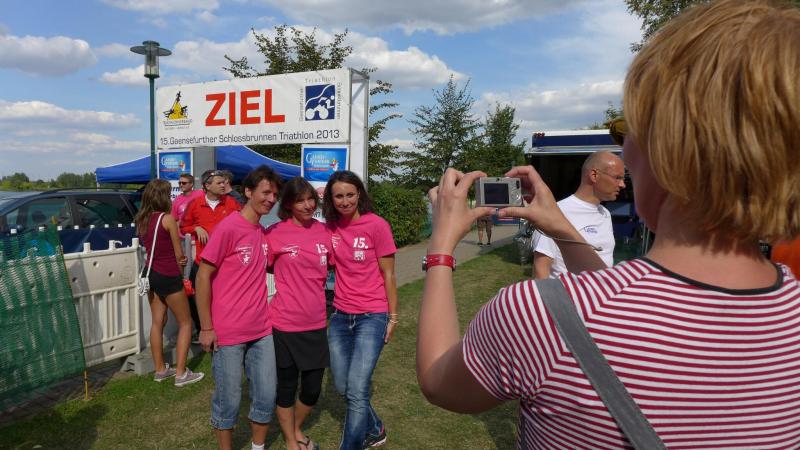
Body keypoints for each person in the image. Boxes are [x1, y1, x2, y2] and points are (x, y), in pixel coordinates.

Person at [416, 1, 800, 448]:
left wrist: (440, 248)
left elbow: (439, 381)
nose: (624, 157)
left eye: (626, 131)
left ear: (662, 146)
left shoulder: (540, 314)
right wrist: (562, 227)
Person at [195, 165, 281, 450]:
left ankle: (258, 447)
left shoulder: (262, 232)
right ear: (248, 191)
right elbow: (203, 276)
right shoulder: (229, 227)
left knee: (266, 395)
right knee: (228, 400)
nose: (271, 199)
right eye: (265, 192)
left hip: (261, 330)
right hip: (228, 332)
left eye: (274, 194)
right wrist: (206, 327)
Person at [322, 170, 398, 450]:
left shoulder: (377, 225)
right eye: (338, 196)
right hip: (340, 316)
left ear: (359, 194)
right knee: (343, 386)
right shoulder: (330, 228)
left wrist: (392, 317)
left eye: (350, 195)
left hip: (372, 315)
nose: (345, 201)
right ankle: (375, 428)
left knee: (356, 390)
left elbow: (389, 275)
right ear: (331, 199)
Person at [267, 177, 331, 450]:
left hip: (316, 322)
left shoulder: (325, 232)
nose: (307, 205)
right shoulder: (273, 233)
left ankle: (293, 428)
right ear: (288, 205)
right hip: (283, 323)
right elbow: (263, 267)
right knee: (286, 386)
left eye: (310, 199)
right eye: (299, 200)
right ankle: (292, 441)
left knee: (313, 389)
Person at [134, 179, 204, 387]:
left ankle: (160, 369)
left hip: (150, 273)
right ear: (163, 197)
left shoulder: (142, 219)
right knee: (186, 323)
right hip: (168, 274)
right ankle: (181, 374)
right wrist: (182, 271)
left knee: (157, 321)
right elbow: (179, 254)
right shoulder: (167, 219)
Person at [531, 150, 624, 278]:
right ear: (594, 175)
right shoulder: (557, 212)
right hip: (566, 291)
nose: (622, 184)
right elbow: (541, 269)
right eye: (617, 178)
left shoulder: (605, 214)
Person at [181, 169, 242, 335]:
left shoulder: (232, 203)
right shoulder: (195, 204)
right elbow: (183, 226)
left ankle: (226, 330)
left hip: (227, 263)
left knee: (226, 299)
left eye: (224, 182)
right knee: (196, 297)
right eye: (219, 183)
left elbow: (243, 225)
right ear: (207, 186)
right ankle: (204, 330)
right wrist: (196, 228)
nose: (223, 185)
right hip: (203, 261)